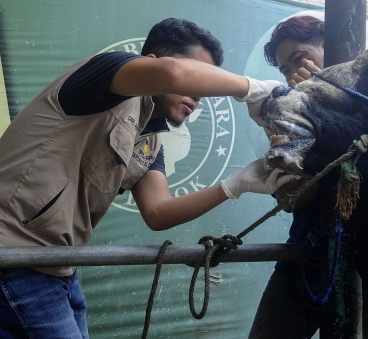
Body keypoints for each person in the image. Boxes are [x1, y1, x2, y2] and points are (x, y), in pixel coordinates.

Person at [0, 18, 294, 339]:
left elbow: (158, 212)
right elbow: (173, 73)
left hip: (59, 268)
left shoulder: (150, 138)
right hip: (13, 258)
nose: (198, 94)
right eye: (196, 77)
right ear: (150, 63)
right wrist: (253, 89)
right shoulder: (104, 73)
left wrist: (236, 185)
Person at [248, 15, 368, 339]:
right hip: (305, 259)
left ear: (330, 45)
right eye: (285, 69)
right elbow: (288, 197)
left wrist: (332, 93)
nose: (292, 72)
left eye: (299, 58)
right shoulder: (285, 109)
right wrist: (305, 109)